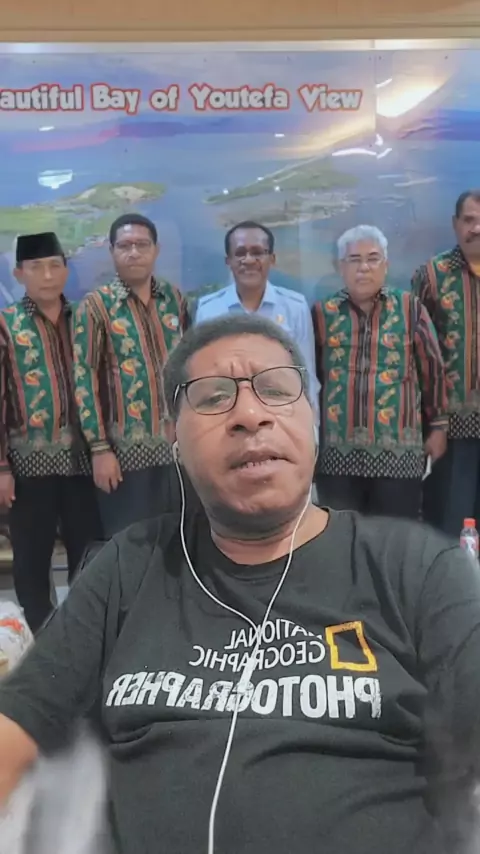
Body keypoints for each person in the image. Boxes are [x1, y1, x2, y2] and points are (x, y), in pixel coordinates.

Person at [0, 314, 480, 854]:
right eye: (212, 398)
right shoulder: (129, 566)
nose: (250, 415)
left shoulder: (415, 567)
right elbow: (16, 727)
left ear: (312, 417)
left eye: (275, 390)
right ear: (172, 435)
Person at [0, 232, 102, 633]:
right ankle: (44, 643)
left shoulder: (85, 321)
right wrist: (2, 468)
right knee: (32, 563)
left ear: (66, 270)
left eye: (55, 266)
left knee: (87, 558)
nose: (47, 275)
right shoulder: (7, 325)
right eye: (36, 267)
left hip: (84, 464)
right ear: (18, 274)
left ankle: (82, 638)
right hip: (28, 467)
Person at [312, 225, 447, 517]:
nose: (364, 268)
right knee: (341, 536)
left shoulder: (410, 309)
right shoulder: (323, 314)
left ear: (386, 265)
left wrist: (438, 427)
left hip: (399, 457)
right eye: (354, 259)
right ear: (340, 267)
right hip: (337, 459)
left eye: (372, 259)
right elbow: (312, 379)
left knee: (395, 538)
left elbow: (432, 370)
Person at [73, 213, 190, 537]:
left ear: (156, 249)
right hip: (124, 457)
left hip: (178, 451)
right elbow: (84, 379)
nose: (134, 252)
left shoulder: (175, 299)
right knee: (132, 547)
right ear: (112, 251)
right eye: (125, 246)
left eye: (142, 244)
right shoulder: (96, 307)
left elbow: (190, 367)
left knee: (181, 541)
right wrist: (100, 449)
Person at [195, 220, 320, 430]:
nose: (248, 260)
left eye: (257, 252)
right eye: (240, 253)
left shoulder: (294, 307)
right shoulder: (209, 310)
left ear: (272, 259)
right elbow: (204, 378)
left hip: (281, 417)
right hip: (228, 418)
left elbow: (306, 375)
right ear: (228, 261)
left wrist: (310, 431)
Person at [412, 189, 480, 535]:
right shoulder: (432, 276)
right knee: (451, 527)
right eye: (469, 220)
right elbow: (414, 355)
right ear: (455, 224)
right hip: (450, 429)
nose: (477, 228)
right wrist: (431, 425)